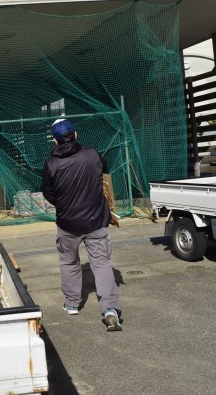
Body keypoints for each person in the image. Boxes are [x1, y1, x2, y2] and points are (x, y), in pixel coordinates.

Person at [42, 119, 123, 331]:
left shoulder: (51, 163)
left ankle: (72, 304)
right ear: (75, 134)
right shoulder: (92, 154)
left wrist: (64, 204)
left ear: (54, 140)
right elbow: (104, 176)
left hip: (67, 223)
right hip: (95, 220)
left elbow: (48, 193)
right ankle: (110, 309)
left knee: (69, 262)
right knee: (101, 263)